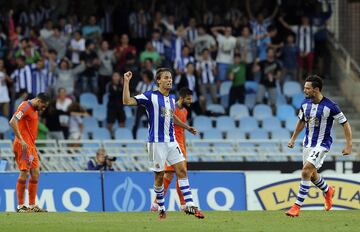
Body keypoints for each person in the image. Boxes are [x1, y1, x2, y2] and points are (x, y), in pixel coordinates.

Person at [123, 68, 204, 219]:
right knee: (159, 177)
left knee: (182, 170)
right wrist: (126, 82)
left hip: (172, 142)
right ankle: (161, 207)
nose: (169, 80)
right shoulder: (150, 96)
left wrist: (187, 127)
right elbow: (127, 101)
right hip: (156, 143)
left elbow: (171, 117)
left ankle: (191, 205)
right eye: (166, 77)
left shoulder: (172, 99)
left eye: (171, 78)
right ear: (158, 80)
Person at [286, 75, 352, 217]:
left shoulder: (331, 106)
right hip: (307, 143)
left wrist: (349, 145)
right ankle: (328, 190)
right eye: (304, 88)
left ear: (316, 90)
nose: (304, 90)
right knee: (312, 176)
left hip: (322, 144)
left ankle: (296, 207)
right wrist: (293, 138)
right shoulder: (305, 103)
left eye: (307, 88)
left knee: (305, 172)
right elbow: (302, 121)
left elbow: (345, 124)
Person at [151, 87, 193, 212]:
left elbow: (182, 131)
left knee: (181, 173)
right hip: (171, 144)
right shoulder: (171, 107)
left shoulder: (185, 111)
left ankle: (183, 204)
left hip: (180, 145)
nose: (190, 101)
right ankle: (156, 203)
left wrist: (184, 147)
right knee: (169, 174)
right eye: (188, 98)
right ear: (182, 98)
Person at [9, 92, 50, 212]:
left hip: (31, 146)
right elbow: (13, 121)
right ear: (38, 101)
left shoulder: (34, 109)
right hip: (23, 146)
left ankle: (32, 205)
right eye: (43, 106)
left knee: (36, 173)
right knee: (24, 173)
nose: (43, 109)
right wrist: (20, 139)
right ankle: (21, 206)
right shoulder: (25, 106)